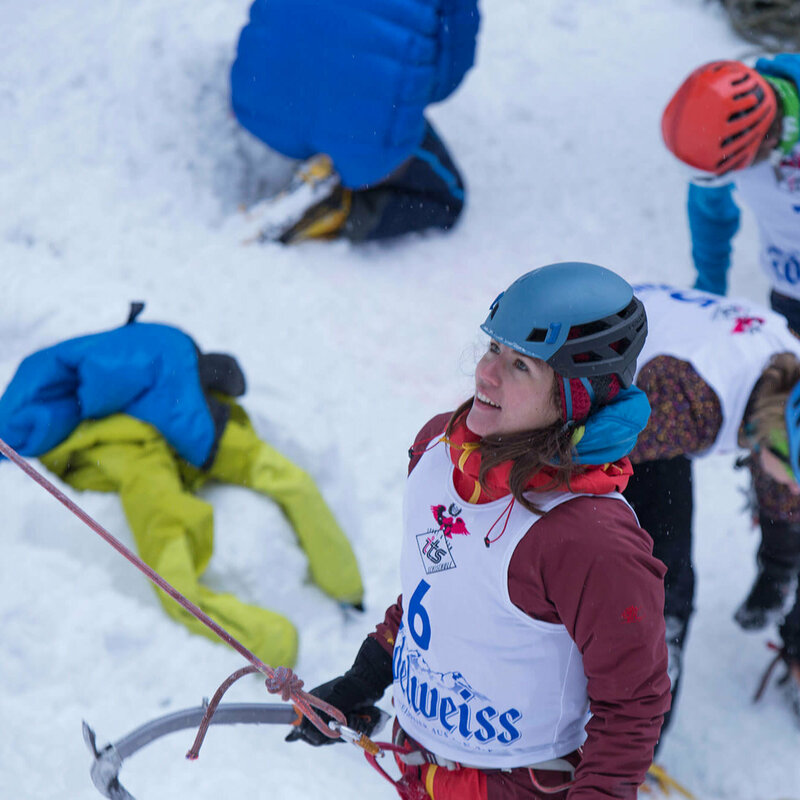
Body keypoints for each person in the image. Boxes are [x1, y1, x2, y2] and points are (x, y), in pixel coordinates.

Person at [287, 262, 671, 800]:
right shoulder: (437, 450)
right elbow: (440, 589)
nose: (486, 373)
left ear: (574, 398)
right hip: (419, 770)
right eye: (493, 348)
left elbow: (632, 704)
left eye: (520, 366)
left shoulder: (591, 538)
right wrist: (367, 675)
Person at [0, 306, 364, 667]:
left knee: (278, 483)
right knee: (282, 484)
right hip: (126, 439)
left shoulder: (167, 372)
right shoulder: (171, 375)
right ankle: (292, 630)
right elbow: (98, 378)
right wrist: (198, 450)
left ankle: (316, 607)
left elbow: (102, 381)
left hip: (135, 433)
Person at [623, 282, 800, 737]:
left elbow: (780, 459)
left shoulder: (786, 374)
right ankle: (629, 748)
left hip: (657, 358)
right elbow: (569, 459)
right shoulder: (685, 408)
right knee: (660, 587)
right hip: (611, 396)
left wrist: (778, 569)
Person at [230, 0, 479, 244]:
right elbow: (446, 77)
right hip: (358, 132)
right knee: (449, 197)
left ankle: (313, 142)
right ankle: (336, 208)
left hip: (258, 102)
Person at [661, 55, 800, 329]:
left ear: (767, 140)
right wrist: (709, 292)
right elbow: (709, 213)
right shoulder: (723, 134)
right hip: (788, 295)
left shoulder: (737, 130)